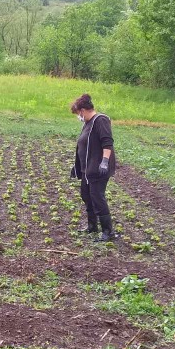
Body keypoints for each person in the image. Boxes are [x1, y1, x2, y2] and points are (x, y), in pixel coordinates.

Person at [70, 94, 117, 241]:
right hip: (87, 170)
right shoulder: (88, 123)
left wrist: (104, 161)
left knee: (97, 197)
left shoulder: (100, 120)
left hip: (98, 169)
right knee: (86, 195)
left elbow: (107, 142)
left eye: (78, 113)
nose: (79, 116)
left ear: (83, 110)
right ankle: (92, 226)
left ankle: (108, 232)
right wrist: (77, 166)